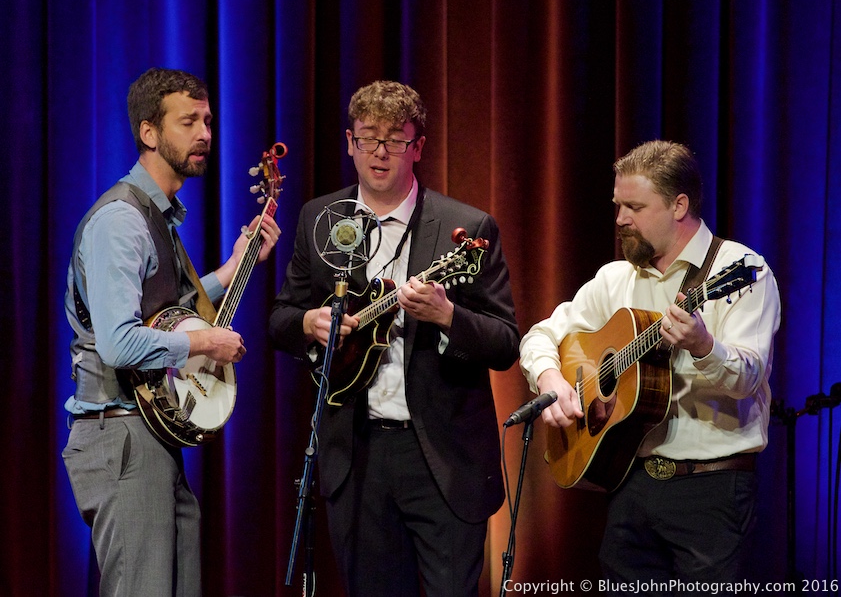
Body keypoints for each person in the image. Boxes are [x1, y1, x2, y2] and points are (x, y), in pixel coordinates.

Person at [269, 80, 519, 597]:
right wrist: (308, 323)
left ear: (418, 147)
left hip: (442, 460)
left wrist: (449, 316)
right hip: (355, 457)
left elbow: (504, 341)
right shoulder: (320, 218)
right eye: (368, 138)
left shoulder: (466, 227)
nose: (380, 152)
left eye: (396, 139)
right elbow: (280, 319)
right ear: (348, 142)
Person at [519, 140, 781, 588]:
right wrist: (550, 378)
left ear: (679, 205)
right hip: (631, 484)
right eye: (618, 205)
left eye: (635, 207)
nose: (620, 219)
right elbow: (542, 334)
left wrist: (703, 346)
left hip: (711, 491)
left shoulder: (740, 269)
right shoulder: (616, 278)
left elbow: (750, 376)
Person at [61, 67, 280, 596]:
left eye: (207, 120)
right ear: (149, 132)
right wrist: (204, 341)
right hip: (121, 434)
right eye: (188, 122)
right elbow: (118, 341)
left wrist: (229, 271)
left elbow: (162, 308)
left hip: (146, 435)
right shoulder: (122, 220)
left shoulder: (156, 216)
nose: (205, 133)